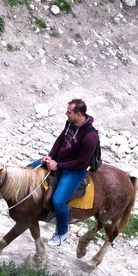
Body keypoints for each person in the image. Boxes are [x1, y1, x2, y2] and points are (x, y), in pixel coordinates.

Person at [33, 98, 99, 247]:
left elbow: (82, 163)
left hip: (75, 170)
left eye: (69, 112)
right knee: (29, 169)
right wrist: (50, 156)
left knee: (58, 201)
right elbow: (61, 138)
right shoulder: (71, 123)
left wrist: (58, 166)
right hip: (60, 159)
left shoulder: (90, 137)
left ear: (79, 114)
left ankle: (62, 233)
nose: (66, 114)